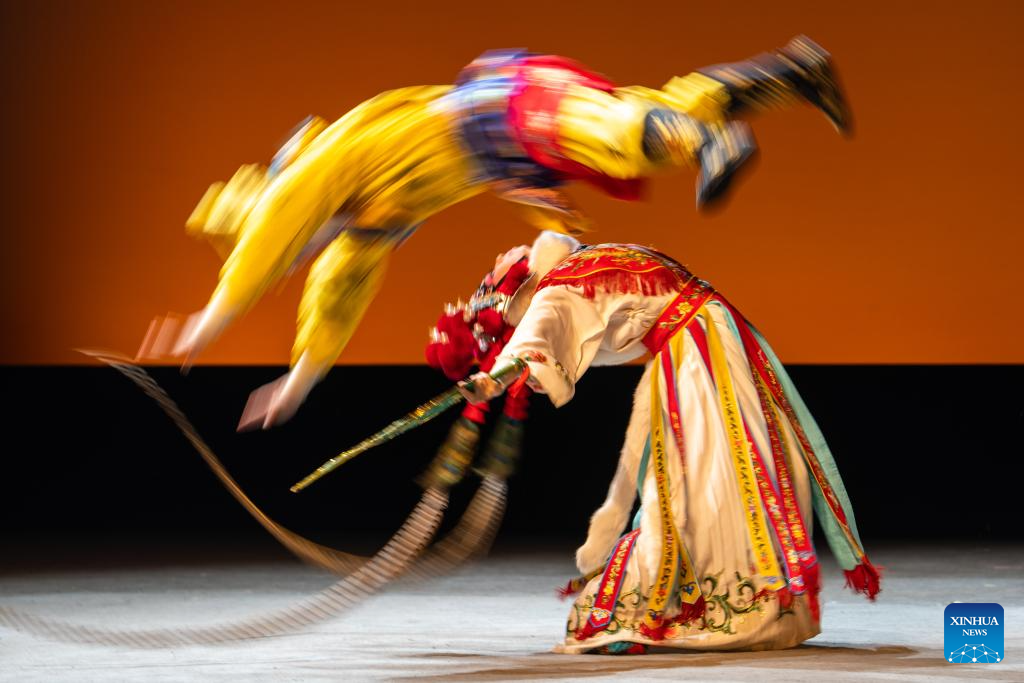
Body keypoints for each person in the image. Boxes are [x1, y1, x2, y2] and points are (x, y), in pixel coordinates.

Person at [143, 37, 850, 430]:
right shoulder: (366, 226)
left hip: (505, 107)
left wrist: (212, 319)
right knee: (645, 123)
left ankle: (714, 138)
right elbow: (335, 299)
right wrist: (294, 386)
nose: (305, 251)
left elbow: (275, 225)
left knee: (628, 135)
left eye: (299, 244)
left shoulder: (330, 162)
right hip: (511, 157)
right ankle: (794, 72)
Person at [455, 231, 879, 654]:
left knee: (702, 476)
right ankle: (760, 600)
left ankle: (672, 606)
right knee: (730, 466)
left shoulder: (559, 283)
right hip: (710, 339)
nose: (501, 253)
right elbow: (543, 336)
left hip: (698, 353)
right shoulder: (588, 261)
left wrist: (493, 380)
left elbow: (532, 343)